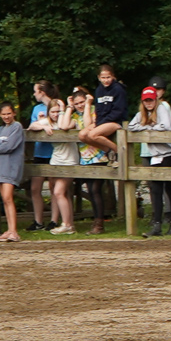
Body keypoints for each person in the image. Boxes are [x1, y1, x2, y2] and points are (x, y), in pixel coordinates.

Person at [129, 83, 171, 237]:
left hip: (170, 152)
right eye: (146, 100)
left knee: (169, 187)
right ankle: (157, 225)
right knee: (156, 187)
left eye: (151, 100)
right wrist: (147, 127)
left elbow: (166, 126)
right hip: (156, 155)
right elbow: (131, 126)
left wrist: (149, 128)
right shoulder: (142, 113)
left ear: (156, 100)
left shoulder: (162, 108)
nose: (149, 103)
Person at [34, 90, 79, 235]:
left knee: (59, 192)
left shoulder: (69, 119)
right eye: (53, 112)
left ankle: (66, 224)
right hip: (56, 159)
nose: (55, 114)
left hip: (69, 160)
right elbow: (32, 126)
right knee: (61, 192)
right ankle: (69, 224)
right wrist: (43, 126)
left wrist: (63, 110)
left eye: (57, 111)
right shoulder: (48, 121)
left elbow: (62, 126)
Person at [72, 85, 114, 232]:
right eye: (77, 103)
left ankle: (99, 223)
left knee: (95, 189)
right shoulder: (75, 116)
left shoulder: (95, 111)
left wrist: (88, 105)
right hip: (85, 158)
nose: (79, 105)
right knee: (90, 190)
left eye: (81, 102)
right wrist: (68, 108)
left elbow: (88, 125)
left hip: (98, 155)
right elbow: (64, 125)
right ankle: (97, 220)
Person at [0, 103, 27, 243]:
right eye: (3, 114)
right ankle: (9, 230)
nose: (6, 116)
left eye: (8, 113)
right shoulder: (0, 130)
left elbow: (10, 146)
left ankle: (14, 231)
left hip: (11, 166)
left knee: (8, 197)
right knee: (4, 199)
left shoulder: (17, 127)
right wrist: (0, 143)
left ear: (14, 113)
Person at [26, 80, 58, 231]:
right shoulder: (36, 109)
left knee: (54, 187)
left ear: (42, 92)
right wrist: (43, 125)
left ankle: (54, 220)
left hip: (54, 152)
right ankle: (38, 221)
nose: (34, 94)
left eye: (35, 91)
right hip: (39, 152)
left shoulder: (57, 105)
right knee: (35, 188)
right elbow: (32, 126)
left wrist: (44, 124)